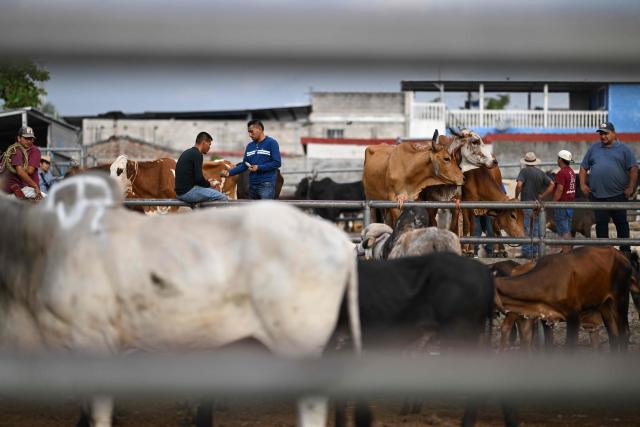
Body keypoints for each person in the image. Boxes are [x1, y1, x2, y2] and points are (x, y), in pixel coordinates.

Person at [580, 121, 637, 253]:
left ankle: (625, 253)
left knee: (622, 225)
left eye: (606, 133)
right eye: (601, 134)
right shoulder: (594, 148)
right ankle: (604, 255)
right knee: (601, 226)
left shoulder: (624, 149)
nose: (603, 136)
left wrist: (631, 187)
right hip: (598, 196)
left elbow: (633, 169)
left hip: (618, 195)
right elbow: (583, 167)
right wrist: (583, 184)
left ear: (613, 133)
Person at [222, 120, 281, 199]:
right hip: (252, 186)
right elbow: (244, 165)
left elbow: (277, 163)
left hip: (266, 185)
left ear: (259, 129)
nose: (250, 135)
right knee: (252, 210)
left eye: (251, 132)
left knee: (265, 210)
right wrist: (229, 173)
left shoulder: (272, 143)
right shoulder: (249, 146)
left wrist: (258, 167)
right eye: (248, 132)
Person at [515, 151, 554, 258]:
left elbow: (519, 185)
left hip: (526, 204)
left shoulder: (524, 172)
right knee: (536, 228)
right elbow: (552, 184)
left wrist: (516, 196)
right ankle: (535, 252)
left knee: (526, 228)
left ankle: (526, 253)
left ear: (525, 162)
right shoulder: (540, 173)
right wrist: (543, 195)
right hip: (537, 204)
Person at [174, 131, 228, 204]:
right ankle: (218, 215)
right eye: (209, 144)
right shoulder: (197, 155)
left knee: (212, 190)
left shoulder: (187, 152)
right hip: (187, 193)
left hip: (179, 193)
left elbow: (194, 178)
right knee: (222, 197)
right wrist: (209, 184)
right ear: (204, 142)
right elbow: (198, 179)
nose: (209, 147)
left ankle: (203, 214)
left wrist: (208, 183)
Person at [0, 126, 43, 200]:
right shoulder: (16, 150)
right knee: (47, 200)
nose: (29, 141)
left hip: (11, 190)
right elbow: (22, 171)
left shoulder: (16, 149)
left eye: (31, 139)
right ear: (19, 138)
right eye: (26, 138)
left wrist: (16, 165)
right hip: (12, 192)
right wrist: (35, 186)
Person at [553, 149, 576, 253]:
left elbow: (560, 189)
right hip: (570, 204)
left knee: (564, 230)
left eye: (558, 158)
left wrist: (553, 202)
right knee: (567, 229)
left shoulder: (561, 173)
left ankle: (566, 252)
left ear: (560, 160)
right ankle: (567, 250)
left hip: (562, 205)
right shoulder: (571, 171)